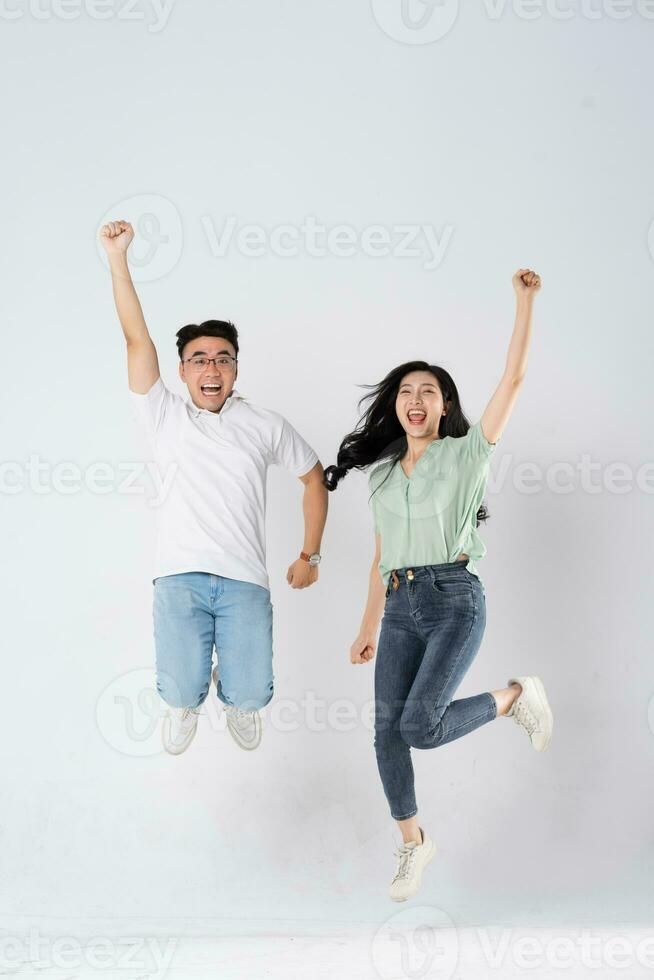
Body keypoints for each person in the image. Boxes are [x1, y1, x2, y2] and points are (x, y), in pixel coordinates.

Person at [323, 269, 553, 902]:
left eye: (428, 391)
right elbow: (380, 556)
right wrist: (367, 626)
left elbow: (513, 380)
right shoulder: (379, 476)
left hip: (455, 600)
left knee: (420, 727)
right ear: (395, 405)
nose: (415, 399)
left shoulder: (468, 453)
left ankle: (512, 698)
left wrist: (523, 302)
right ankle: (413, 844)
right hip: (399, 604)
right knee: (385, 733)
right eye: (406, 392)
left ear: (444, 405)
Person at [100, 219, 327, 756]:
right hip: (178, 577)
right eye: (199, 359)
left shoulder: (263, 424)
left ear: (236, 369)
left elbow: (314, 478)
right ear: (181, 371)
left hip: (245, 580)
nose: (211, 367)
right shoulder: (165, 417)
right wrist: (117, 259)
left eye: (222, 359)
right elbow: (136, 339)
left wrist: (309, 555)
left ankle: (235, 684)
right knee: (181, 689)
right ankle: (187, 698)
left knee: (250, 696)